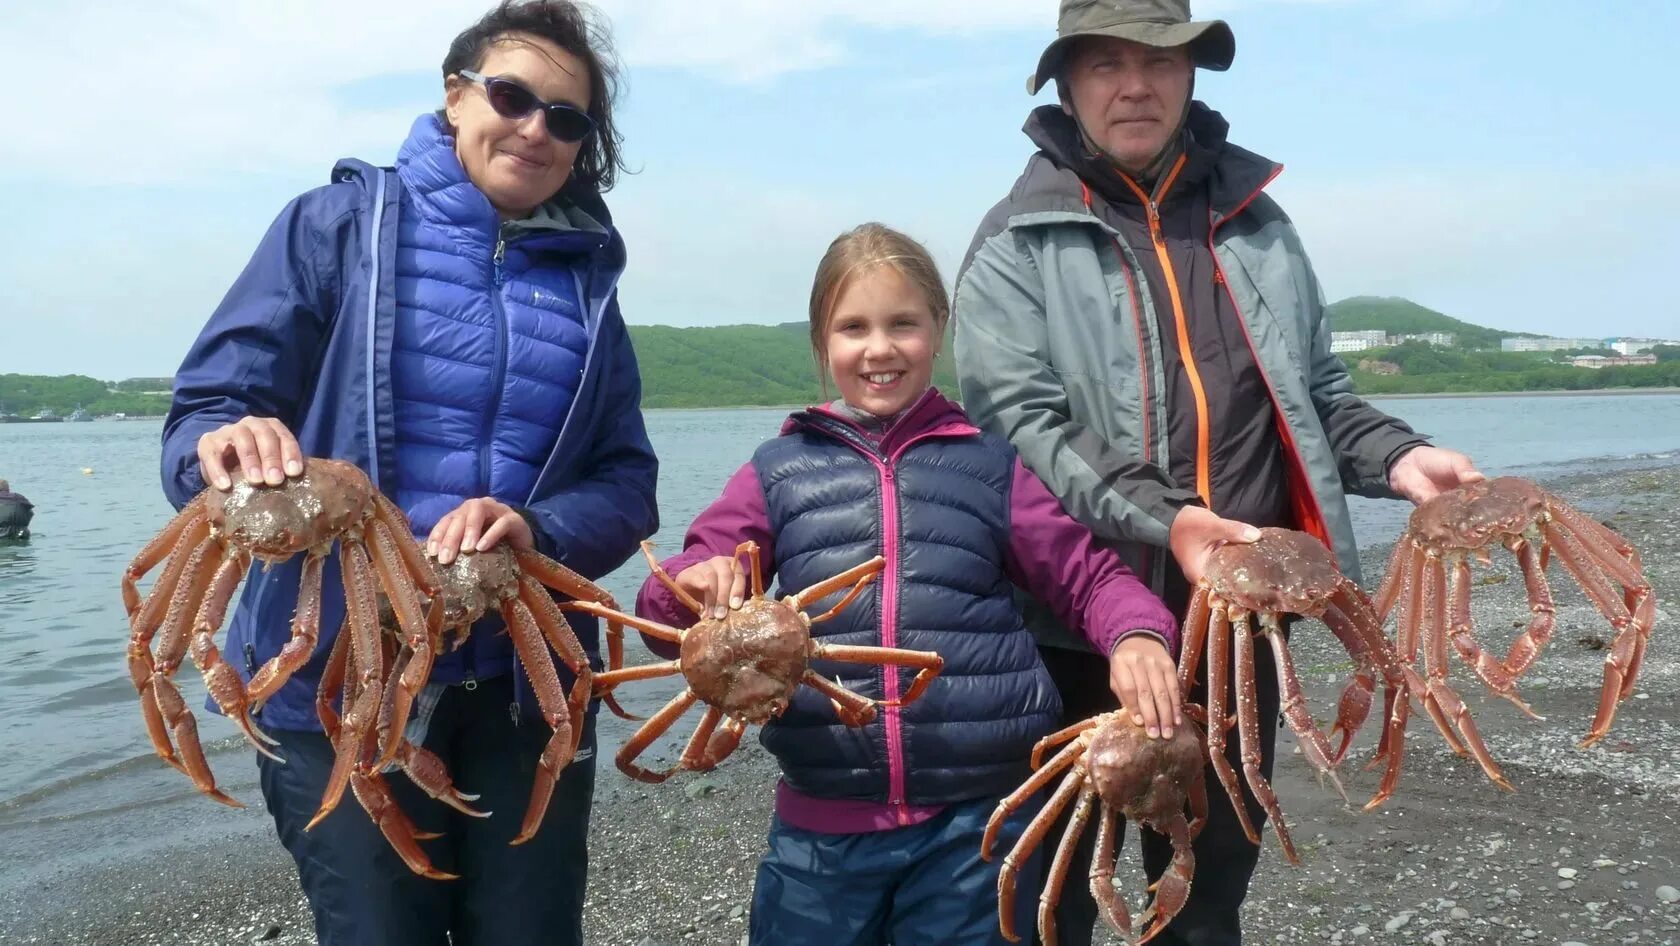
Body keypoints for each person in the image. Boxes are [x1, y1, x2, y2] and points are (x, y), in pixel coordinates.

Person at [952, 1, 1484, 943]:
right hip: (1072, 627)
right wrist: (1174, 520)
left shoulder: (1260, 225)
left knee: (1206, 900)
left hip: (1240, 628)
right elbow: (1020, 423)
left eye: (1160, 60)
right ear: (1067, 83)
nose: (1135, 84)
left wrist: (1399, 456)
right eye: (1107, 63)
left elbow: (1316, 396)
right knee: (1056, 895)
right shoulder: (1016, 239)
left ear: (1192, 74)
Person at [157, 2, 657, 943]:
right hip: (335, 672)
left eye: (568, 118)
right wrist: (218, 450)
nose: (537, 128)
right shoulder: (337, 228)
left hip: (521, 684)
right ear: (456, 94)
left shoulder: (589, 290)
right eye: (514, 96)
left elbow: (629, 479)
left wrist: (539, 528)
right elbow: (204, 411)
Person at [633, 223, 1179, 946]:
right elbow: (672, 592)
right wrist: (689, 583)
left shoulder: (989, 467)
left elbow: (1084, 575)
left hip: (979, 824)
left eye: (903, 324)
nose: (879, 348)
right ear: (822, 342)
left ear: (938, 330)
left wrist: (1137, 632)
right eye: (853, 327)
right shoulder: (779, 469)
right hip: (821, 820)